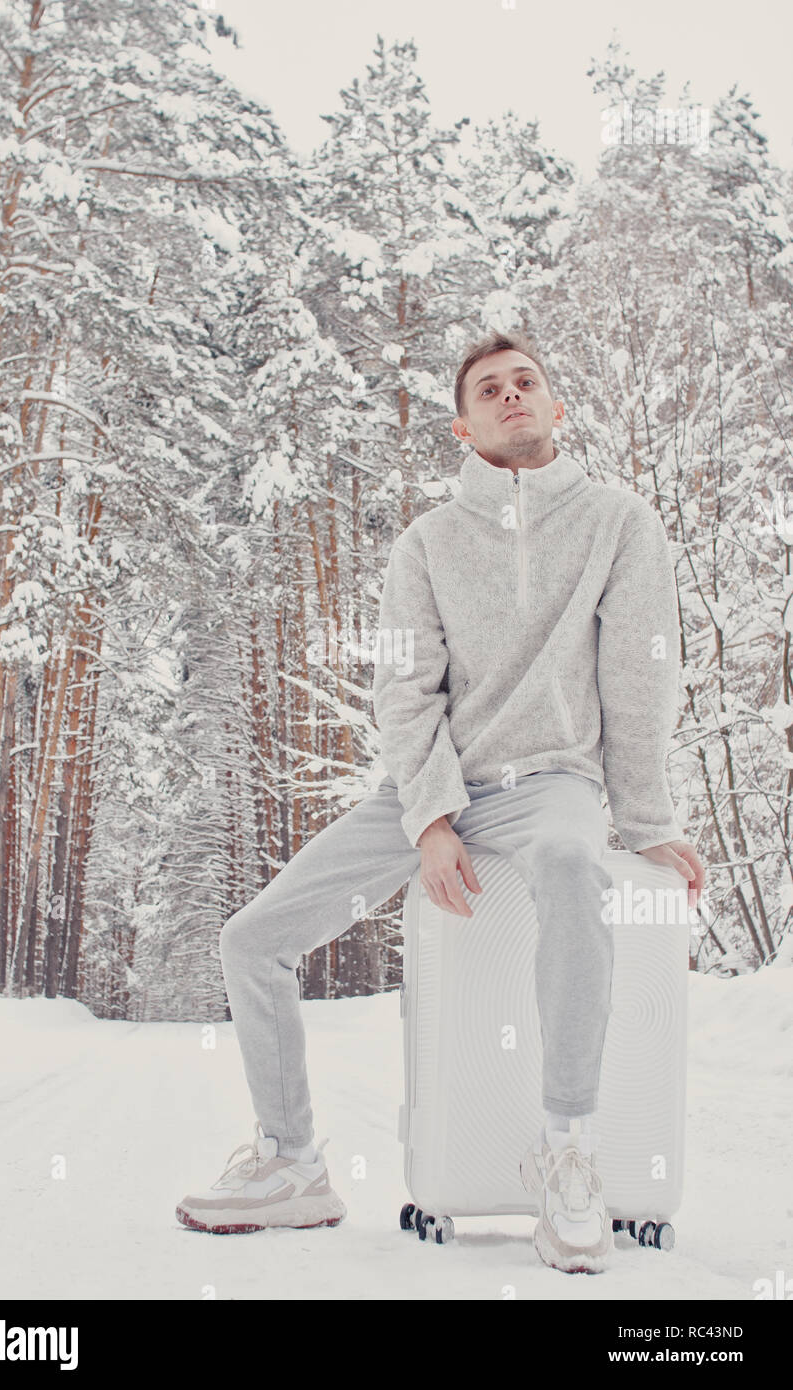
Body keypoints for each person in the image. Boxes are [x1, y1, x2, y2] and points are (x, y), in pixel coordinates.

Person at [175, 329, 705, 1273]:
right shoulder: (426, 543)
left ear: (557, 407)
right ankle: (292, 1164)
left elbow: (637, 682)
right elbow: (405, 690)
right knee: (251, 940)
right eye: (490, 390)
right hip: (427, 789)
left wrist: (652, 823)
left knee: (577, 865)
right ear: (463, 427)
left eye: (527, 382)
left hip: (551, 788)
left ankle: (568, 1149)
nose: (511, 396)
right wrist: (426, 819)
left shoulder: (619, 522)